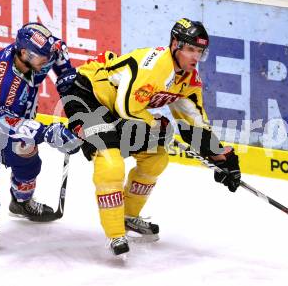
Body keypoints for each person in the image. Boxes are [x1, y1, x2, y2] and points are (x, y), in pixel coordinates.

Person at [55, 18, 241, 256]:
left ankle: (128, 217)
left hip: (120, 109)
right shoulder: (155, 66)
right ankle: (115, 234)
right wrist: (156, 124)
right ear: (175, 44)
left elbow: (193, 122)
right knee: (111, 162)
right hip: (87, 97)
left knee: (156, 158)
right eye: (191, 49)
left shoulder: (188, 80)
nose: (195, 57)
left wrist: (219, 155)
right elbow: (127, 108)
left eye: (200, 52)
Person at [0, 22, 80, 251]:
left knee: (27, 159)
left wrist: (68, 83)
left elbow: (59, 50)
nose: (47, 60)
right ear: (23, 53)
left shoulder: (38, 54)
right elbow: (7, 121)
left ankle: (22, 203)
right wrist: (48, 132)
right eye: (42, 57)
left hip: (10, 112)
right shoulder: (3, 82)